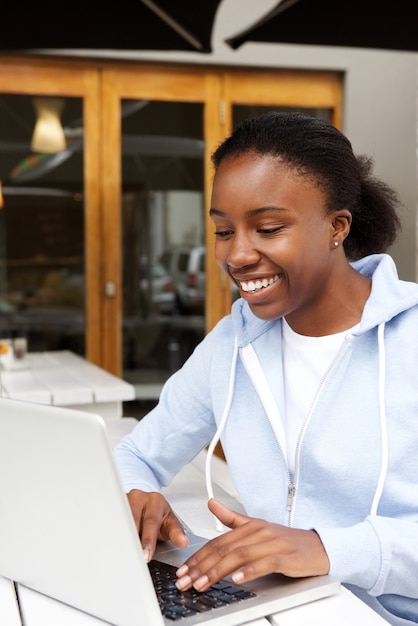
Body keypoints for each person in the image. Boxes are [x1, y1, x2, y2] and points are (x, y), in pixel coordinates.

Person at [114, 111, 418, 626]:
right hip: (279, 610)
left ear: (336, 227)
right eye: (223, 230)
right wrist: (137, 493)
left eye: (268, 228)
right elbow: (137, 452)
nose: (237, 255)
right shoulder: (233, 341)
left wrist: (327, 549)